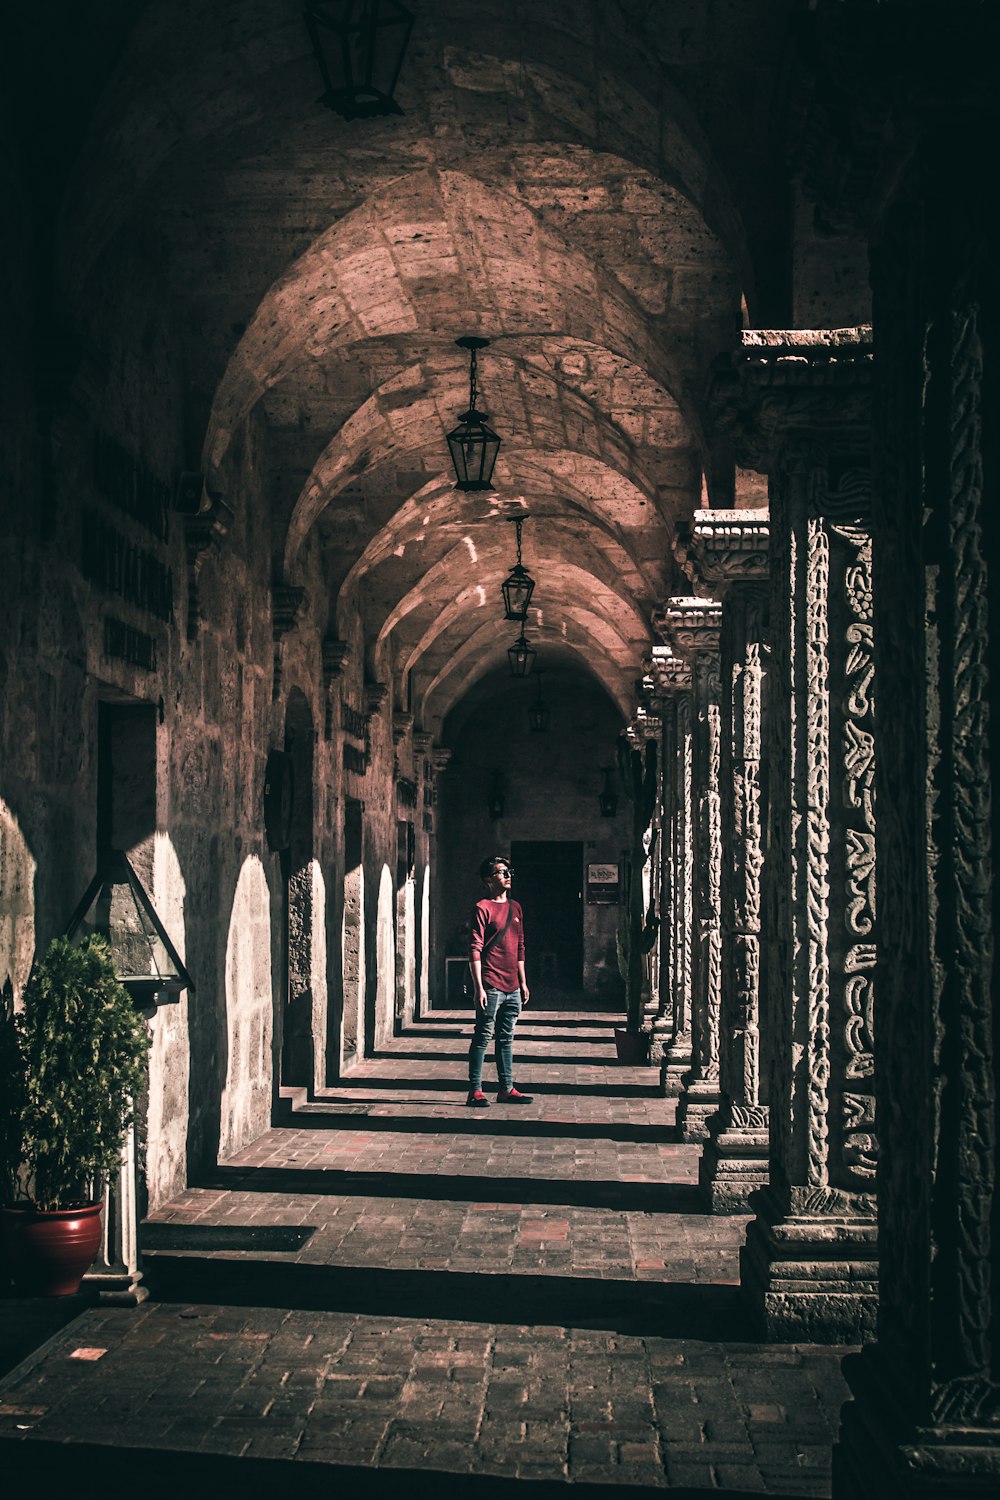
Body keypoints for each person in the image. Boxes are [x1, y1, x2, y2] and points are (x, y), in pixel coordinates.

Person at [466, 854, 534, 1107]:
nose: (507, 875)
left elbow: (520, 947)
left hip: (513, 985)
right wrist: (479, 988)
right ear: (488, 879)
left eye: (508, 871)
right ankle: (475, 1090)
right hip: (491, 983)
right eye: (500, 872)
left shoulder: (516, 907)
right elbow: (475, 948)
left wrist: (523, 982)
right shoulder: (482, 908)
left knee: (506, 1037)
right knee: (483, 1036)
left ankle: (506, 1088)